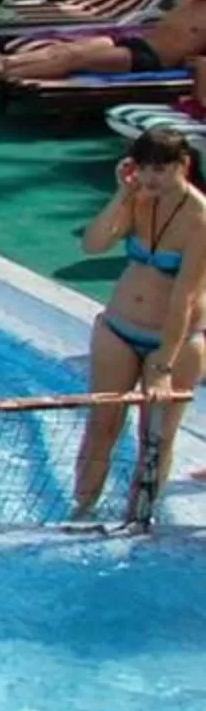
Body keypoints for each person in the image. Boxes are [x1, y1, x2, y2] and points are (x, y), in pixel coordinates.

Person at [68, 128, 206, 511]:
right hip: (119, 328)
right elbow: (93, 244)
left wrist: (163, 365)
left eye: (161, 169)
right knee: (102, 425)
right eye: (144, 168)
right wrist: (123, 195)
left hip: (173, 340)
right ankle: (82, 508)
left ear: (184, 166)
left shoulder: (200, 219)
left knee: (155, 438)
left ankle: (139, 516)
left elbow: (185, 297)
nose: (151, 178)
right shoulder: (139, 199)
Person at [0, 0, 206, 94]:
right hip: (137, 41)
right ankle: (5, 62)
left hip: (152, 59)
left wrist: (196, 62)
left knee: (75, 58)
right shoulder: (186, 2)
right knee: (64, 49)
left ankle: (3, 73)